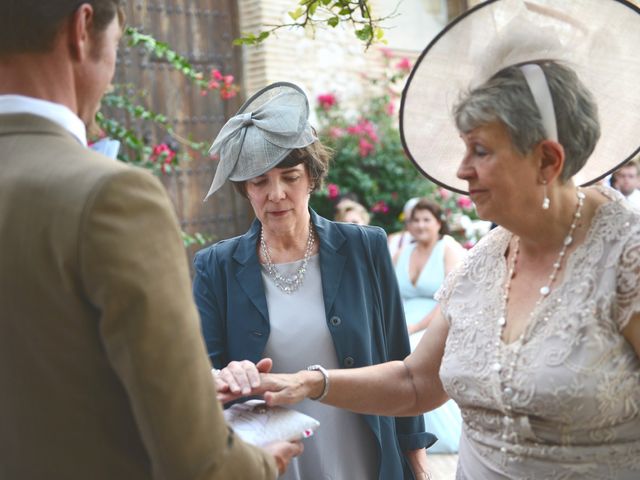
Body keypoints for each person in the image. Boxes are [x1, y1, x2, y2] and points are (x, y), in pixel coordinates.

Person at [217, 1, 640, 478]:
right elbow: (416, 381)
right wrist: (306, 382)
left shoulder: (626, 260)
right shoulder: (486, 261)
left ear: (547, 160)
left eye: (480, 150)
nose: (461, 170)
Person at [0, 2, 301, 478]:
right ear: (82, 29)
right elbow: (197, 460)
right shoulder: (110, 194)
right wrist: (261, 465)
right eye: (117, 47)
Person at [193, 82, 434, 480]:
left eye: (290, 176)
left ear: (312, 177)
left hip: (366, 455)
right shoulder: (215, 266)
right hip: (273, 461)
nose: (276, 194)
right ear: (245, 190)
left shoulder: (364, 247)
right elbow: (200, 371)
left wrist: (417, 462)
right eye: (260, 182)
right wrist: (226, 375)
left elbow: (399, 359)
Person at [394, 198, 465, 453]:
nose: (421, 225)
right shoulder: (402, 253)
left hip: (436, 320)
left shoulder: (448, 248)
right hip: (401, 320)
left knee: (411, 347)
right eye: (415, 220)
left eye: (427, 219)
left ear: (438, 223)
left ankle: (428, 431)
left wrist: (414, 327)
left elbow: (450, 296)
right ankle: (397, 425)